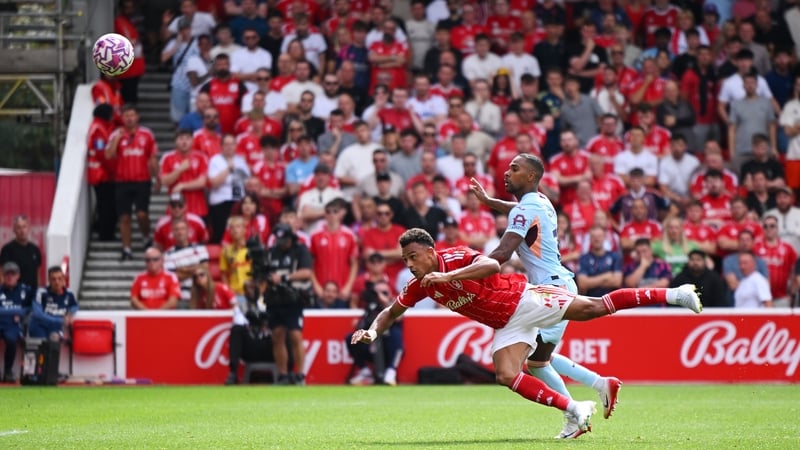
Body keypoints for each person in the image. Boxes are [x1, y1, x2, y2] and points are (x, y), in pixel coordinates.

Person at [352, 228, 702, 435]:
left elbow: (491, 263)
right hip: (506, 325)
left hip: (524, 299)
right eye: (406, 261)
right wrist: (371, 331)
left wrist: (447, 276)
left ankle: (675, 293)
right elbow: (390, 311)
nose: (410, 266)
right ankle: (576, 407)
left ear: (430, 251)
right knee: (506, 374)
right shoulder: (420, 286)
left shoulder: (454, 258)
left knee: (593, 309)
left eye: (414, 257)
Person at [470, 154, 621, 437]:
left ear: (530, 176)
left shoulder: (523, 210)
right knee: (540, 358)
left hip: (549, 291)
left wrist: (462, 274)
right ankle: (600, 385)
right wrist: (491, 203)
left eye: (514, 169)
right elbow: (517, 210)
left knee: (536, 363)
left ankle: (576, 413)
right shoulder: (542, 201)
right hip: (557, 284)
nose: (506, 172)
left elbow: (502, 254)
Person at [107, 104, 159, 261]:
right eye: (126, 115)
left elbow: (152, 157)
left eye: (132, 115)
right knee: (124, 217)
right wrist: (117, 138)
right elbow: (108, 155)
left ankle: (145, 237)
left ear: (137, 117)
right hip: (122, 181)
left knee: (142, 214)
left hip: (142, 180)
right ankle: (127, 248)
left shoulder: (147, 134)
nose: (129, 118)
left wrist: (157, 178)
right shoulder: (115, 134)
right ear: (122, 118)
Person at [264, 223, 313, 385]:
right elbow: (264, 272)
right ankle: (283, 374)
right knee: (277, 335)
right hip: (274, 298)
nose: (281, 242)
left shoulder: (300, 250)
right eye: (279, 239)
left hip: (294, 298)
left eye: (284, 239)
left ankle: (299, 374)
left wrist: (284, 278)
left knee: (295, 335)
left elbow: (307, 272)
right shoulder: (271, 253)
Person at [346, 278, 404, 386]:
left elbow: (398, 318)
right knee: (351, 337)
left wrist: (386, 302)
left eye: (384, 292)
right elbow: (365, 325)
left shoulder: (396, 304)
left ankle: (391, 372)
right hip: (372, 347)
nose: (380, 296)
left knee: (396, 334)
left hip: (389, 348)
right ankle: (365, 372)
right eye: (377, 293)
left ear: (390, 294)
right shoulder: (371, 307)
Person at [86, 104, 117, 242]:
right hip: (102, 175)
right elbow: (102, 154)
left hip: (101, 174)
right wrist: (114, 171)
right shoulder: (99, 129)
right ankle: (106, 235)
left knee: (105, 205)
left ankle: (105, 231)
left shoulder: (100, 127)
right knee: (106, 206)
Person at [163, 219, 210, 309]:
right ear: (173, 233)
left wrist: (183, 269)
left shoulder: (200, 248)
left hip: (202, 294)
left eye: (182, 229)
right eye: (177, 229)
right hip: (183, 297)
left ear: (188, 231)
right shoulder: (168, 254)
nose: (180, 232)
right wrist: (197, 268)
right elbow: (175, 277)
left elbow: (205, 268)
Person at [0, 262, 32, 382]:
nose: (9, 277)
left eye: (12, 274)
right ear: (3, 275)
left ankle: (8, 371)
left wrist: (23, 316)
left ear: (18, 275)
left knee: (11, 339)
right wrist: (16, 310)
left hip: (13, 325)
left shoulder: (25, 290)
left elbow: (31, 309)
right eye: (7, 274)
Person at [28, 266, 78, 339]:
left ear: (63, 279)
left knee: (55, 338)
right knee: (42, 344)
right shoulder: (41, 292)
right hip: (40, 326)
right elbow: (38, 314)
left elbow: (75, 306)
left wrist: (69, 314)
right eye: (53, 279)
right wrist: (60, 320)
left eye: (59, 279)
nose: (57, 282)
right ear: (49, 280)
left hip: (57, 327)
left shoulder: (69, 294)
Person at [0, 215, 43, 291]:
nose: (22, 230)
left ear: (28, 228)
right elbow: (2, 273)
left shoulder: (35, 250)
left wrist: (39, 290)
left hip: (32, 293)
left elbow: (37, 274)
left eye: (24, 227)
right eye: (18, 227)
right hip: (14, 294)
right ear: (14, 230)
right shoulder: (7, 249)